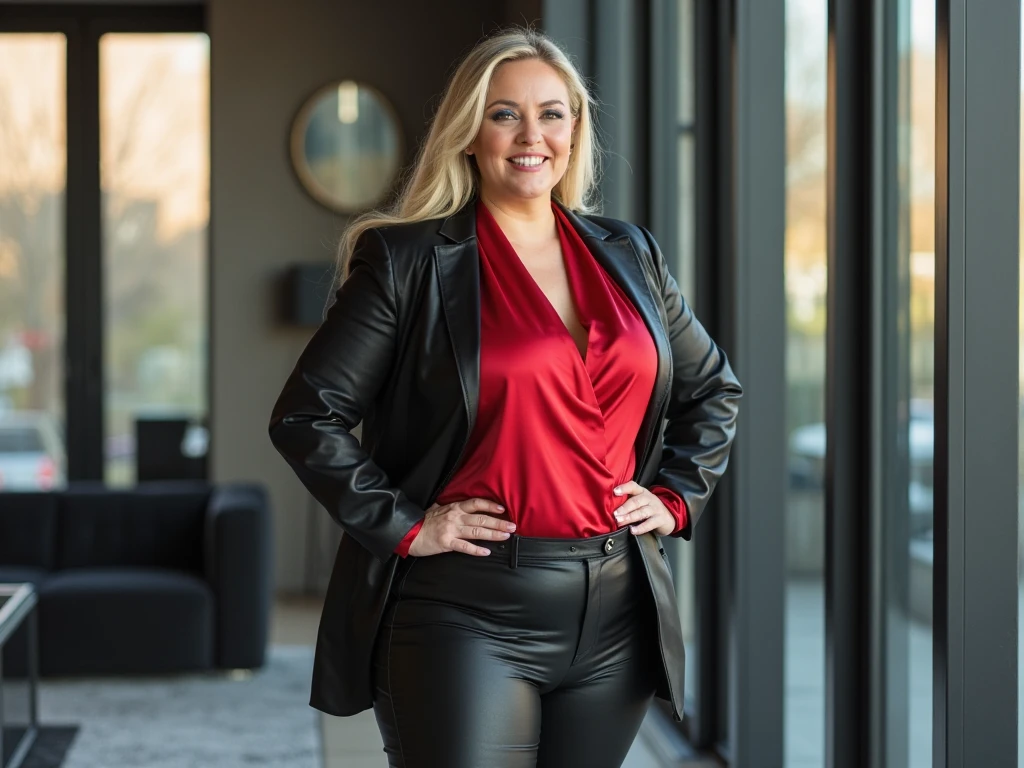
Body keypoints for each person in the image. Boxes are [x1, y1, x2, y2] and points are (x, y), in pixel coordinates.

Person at [268, 25, 742, 768]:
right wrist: (404, 525)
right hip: (464, 610)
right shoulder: (408, 261)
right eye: (504, 113)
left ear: (575, 129)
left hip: (616, 608)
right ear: (469, 132)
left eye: (552, 113)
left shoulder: (631, 253)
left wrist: (678, 496)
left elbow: (713, 387)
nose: (532, 135)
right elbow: (306, 414)